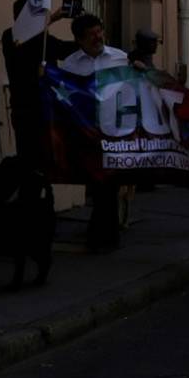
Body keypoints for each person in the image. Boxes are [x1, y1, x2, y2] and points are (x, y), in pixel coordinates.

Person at [61, 14, 129, 251]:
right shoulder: (71, 64)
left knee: (108, 184)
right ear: (79, 40)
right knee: (98, 184)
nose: (98, 37)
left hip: (114, 133)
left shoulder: (120, 59)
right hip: (87, 133)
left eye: (99, 31)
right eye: (92, 34)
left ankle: (103, 236)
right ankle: (104, 234)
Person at [1, 0, 75, 167]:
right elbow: (63, 49)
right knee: (36, 163)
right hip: (36, 111)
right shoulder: (22, 39)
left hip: (28, 110)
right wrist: (53, 19)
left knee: (35, 162)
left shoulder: (13, 37)